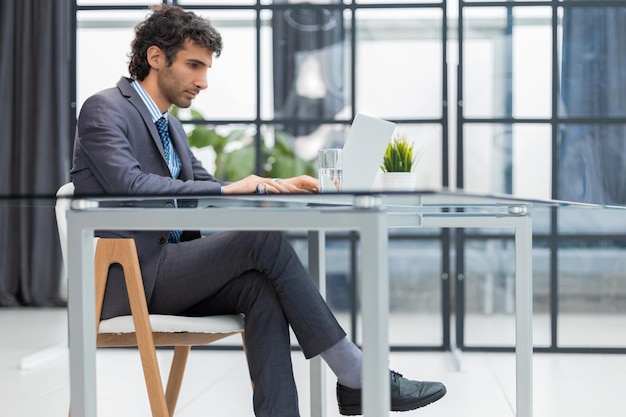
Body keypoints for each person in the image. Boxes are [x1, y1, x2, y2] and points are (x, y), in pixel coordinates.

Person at [70, 5, 446, 416]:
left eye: (207, 69)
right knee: (261, 241)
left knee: (260, 289)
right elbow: (132, 187)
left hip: (168, 274)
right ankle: (359, 375)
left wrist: (275, 185)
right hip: (129, 279)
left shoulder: (170, 126)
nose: (203, 82)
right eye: (194, 65)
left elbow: (203, 185)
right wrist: (232, 186)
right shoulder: (104, 108)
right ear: (155, 57)